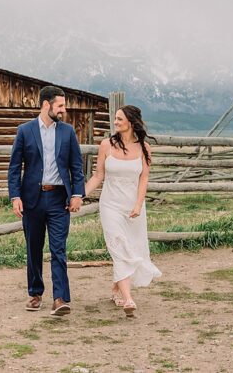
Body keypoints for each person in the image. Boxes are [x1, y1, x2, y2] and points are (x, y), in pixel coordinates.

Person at [8, 86, 85, 317]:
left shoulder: (68, 132)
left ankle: (60, 298)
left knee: (58, 249)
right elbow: (14, 167)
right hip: (32, 198)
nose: (63, 110)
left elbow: (76, 166)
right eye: (60, 105)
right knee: (33, 248)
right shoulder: (25, 131)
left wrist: (77, 194)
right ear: (45, 105)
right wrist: (15, 197)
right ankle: (35, 293)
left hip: (59, 199)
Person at [84, 104, 161, 317]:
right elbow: (98, 176)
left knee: (133, 248)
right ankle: (128, 299)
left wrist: (138, 204)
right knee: (119, 247)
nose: (115, 122)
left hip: (133, 207)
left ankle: (117, 287)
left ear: (131, 122)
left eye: (119, 119)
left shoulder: (144, 148)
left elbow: (144, 178)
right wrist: (79, 195)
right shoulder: (106, 145)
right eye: (115, 119)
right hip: (110, 205)